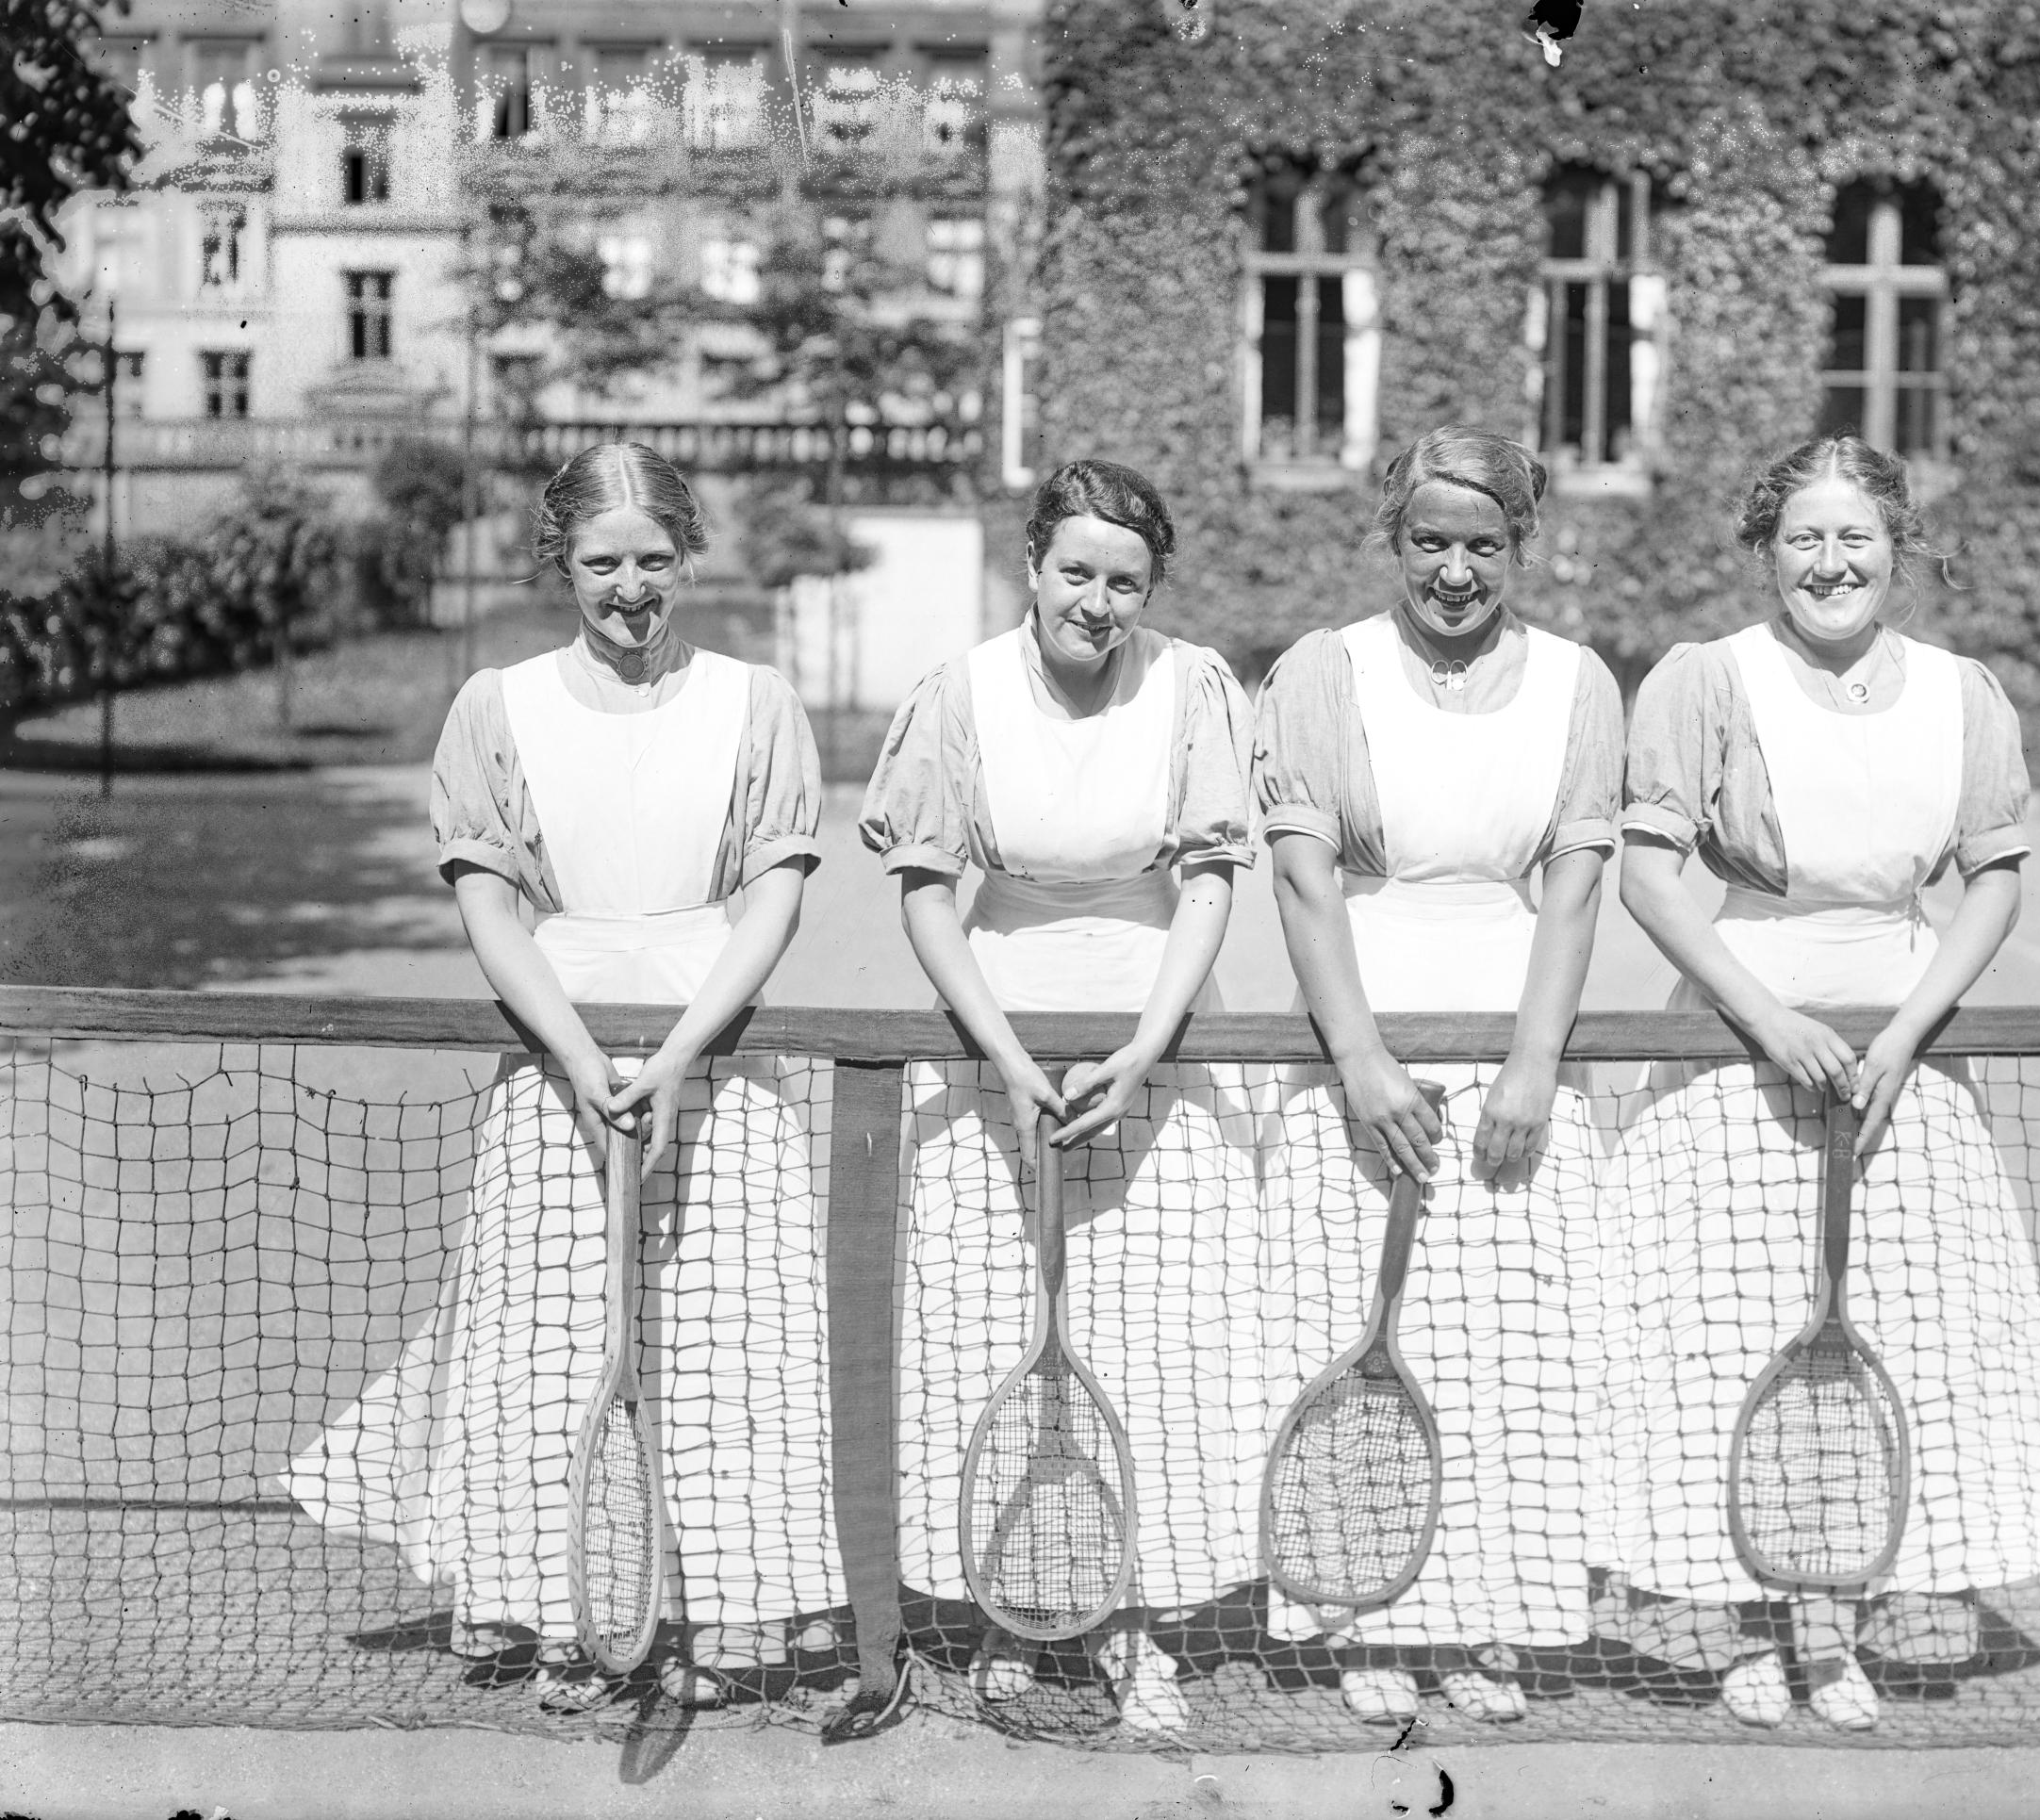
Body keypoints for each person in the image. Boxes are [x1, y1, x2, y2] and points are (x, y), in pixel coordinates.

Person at [283, 441, 839, 1713]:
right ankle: (562, 1615)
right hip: (556, 1065)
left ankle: (729, 1613)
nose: (632, 587)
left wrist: (686, 1046)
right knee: (545, 1342)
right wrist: (583, 1058)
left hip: (721, 1060)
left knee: (731, 1340)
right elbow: (487, 902)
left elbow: (774, 893)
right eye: (603, 562)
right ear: (562, 563)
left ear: (689, 557)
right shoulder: (498, 702)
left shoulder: (756, 700)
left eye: (655, 559)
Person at [1602, 435, 2040, 1730]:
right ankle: (1749, 1623)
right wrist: (1768, 1020)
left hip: (1902, 1067)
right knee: (1726, 1342)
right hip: (1729, 1053)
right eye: (1804, 541)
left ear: (1897, 548)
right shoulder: (1704, 681)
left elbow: (1990, 877)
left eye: (1854, 539)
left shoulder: (1962, 692)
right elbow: (1650, 878)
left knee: (1890, 1339)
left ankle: (1837, 1621)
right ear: (1767, 552)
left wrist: (1902, 1036)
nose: (1831, 565)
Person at [860, 458, 1259, 1736]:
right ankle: (1011, 1614)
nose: (1098, 601)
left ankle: (1137, 1624)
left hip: (1151, 1046)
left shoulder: (1194, 686)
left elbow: (1208, 880)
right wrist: (1009, 1061)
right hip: (997, 1048)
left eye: (1125, 580)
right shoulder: (959, 693)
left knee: (1148, 1340)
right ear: (1031, 566)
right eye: (1075, 571)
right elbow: (926, 892)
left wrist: (1146, 1046)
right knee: (995, 1335)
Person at [1248, 425, 1623, 1727]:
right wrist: (1357, 1059)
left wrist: (1531, 1065)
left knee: (1507, 1355)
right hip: (1357, 1064)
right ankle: (1362, 1615)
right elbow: (1303, 880)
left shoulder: (1580, 680)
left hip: (1516, 1076)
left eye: (1484, 544)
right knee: (1351, 1341)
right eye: (1430, 542)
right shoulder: (1321, 672)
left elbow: (1575, 892)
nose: (1455, 571)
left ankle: (1490, 1619)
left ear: (1523, 544)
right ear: (1391, 541)